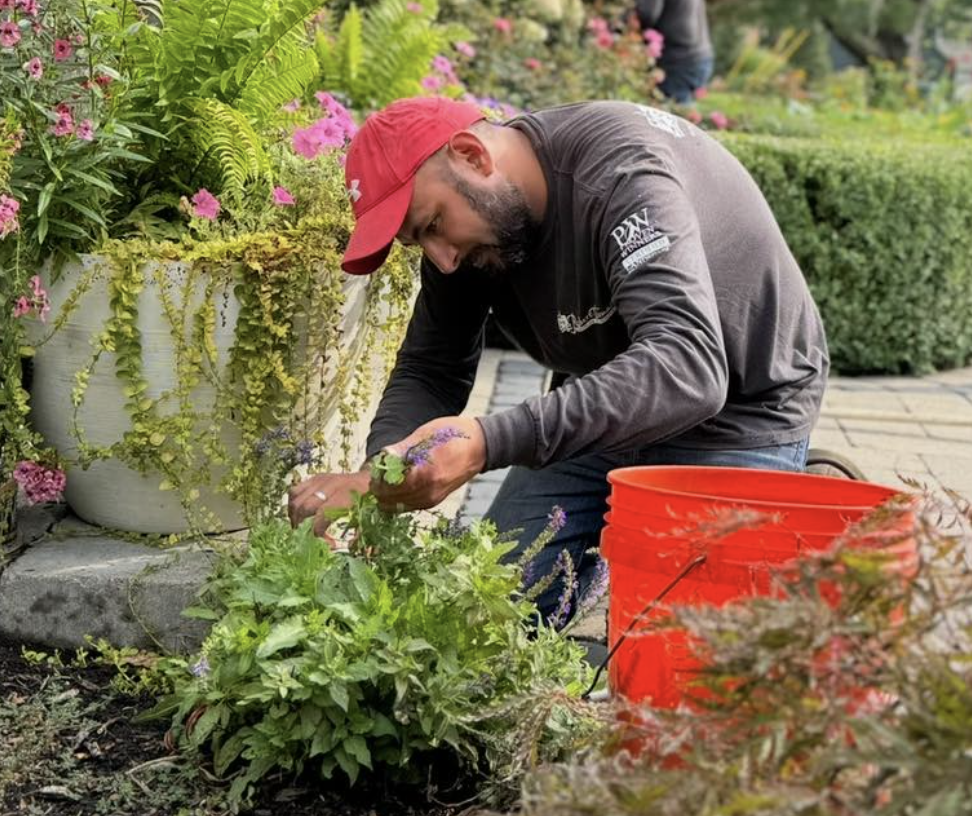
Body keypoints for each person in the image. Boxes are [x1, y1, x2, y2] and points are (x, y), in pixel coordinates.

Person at [288, 95, 829, 623]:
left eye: (432, 225)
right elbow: (432, 367)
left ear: (472, 156)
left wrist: (485, 443)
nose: (443, 260)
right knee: (478, 613)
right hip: (609, 401)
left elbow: (687, 367)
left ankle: (814, 505)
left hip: (740, 408)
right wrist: (382, 475)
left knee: (691, 653)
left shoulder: (619, 171)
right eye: (419, 243)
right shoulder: (464, 234)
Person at [633, 0, 714, 103]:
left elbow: (646, 14)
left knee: (664, 115)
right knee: (680, 113)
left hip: (677, 61)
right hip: (701, 56)